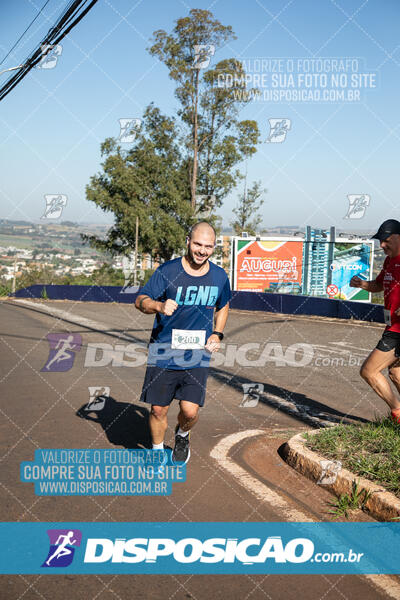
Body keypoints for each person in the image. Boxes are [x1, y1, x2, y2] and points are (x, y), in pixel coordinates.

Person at [135, 222, 231, 463]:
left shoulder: (219, 276)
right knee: (158, 409)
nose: (202, 250)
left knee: (189, 411)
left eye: (208, 246)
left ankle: (182, 434)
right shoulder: (167, 272)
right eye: (198, 244)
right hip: (163, 351)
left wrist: (217, 333)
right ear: (188, 240)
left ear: (213, 247)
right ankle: (157, 451)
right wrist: (158, 305)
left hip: (196, 353)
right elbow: (140, 300)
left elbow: (224, 305)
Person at [350, 219, 400, 425]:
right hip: (392, 326)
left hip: (398, 331)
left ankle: (398, 413)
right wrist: (363, 284)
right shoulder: (389, 261)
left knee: (369, 371)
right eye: (380, 241)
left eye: (386, 241)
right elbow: (379, 285)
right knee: (396, 372)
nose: (382, 246)